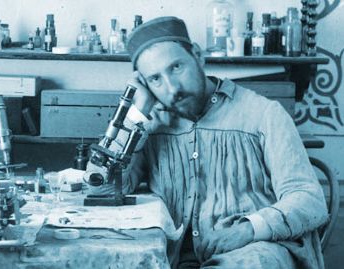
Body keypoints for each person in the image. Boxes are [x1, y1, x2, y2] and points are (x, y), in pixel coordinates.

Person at [84, 16, 328, 269]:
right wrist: (137, 113)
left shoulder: (263, 113)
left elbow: (308, 197)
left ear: (198, 56)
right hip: (175, 258)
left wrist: (249, 228)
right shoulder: (149, 124)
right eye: (155, 79)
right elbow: (99, 190)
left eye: (176, 67)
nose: (172, 88)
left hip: (254, 251)